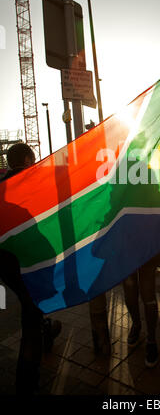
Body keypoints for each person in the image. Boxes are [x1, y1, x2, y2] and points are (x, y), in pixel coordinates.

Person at [0, 143, 61, 395]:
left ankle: (45, 331)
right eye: (33, 160)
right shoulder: (26, 186)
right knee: (31, 319)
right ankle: (26, 383)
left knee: (31, 309)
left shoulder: (3, 187)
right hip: (23, 264)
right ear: (26, 160)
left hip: (5, 264)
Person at [123, 252, 160, 368]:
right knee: (129, 291)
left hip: (148, 246)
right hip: (124, 248)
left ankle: (151, 339)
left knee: (148, 294)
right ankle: (136, 324)